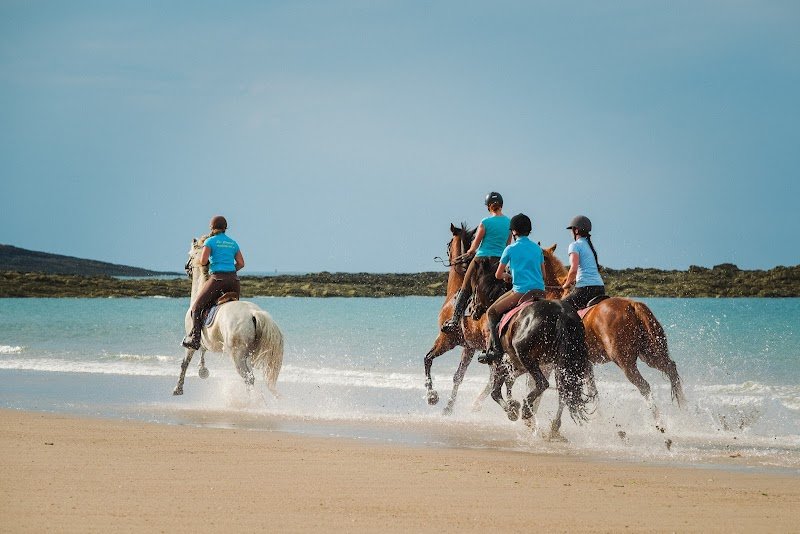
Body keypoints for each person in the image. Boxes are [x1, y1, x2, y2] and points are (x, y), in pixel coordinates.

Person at [479, 213, 545, 364]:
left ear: (514, 232)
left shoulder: (510, 249)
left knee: (491, 312)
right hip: (541, 292)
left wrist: (506, 276)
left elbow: (497, 274)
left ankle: (496, 351)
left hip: (520, 292)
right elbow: (543, 274)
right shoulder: (537, 249)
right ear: (529, 230)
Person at [441, 192, 511, 333]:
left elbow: (474, 246)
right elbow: (507, 245)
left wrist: (469, 252)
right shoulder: (509, 223)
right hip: (499, 262)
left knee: (465, 287)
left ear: (488, 207)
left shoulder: (485, 222)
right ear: (501, 205)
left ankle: (454, 320)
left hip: (481, 259)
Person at [181, 215, 245, 350]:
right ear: (225, 228)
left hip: (217, 280)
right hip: (234, 281)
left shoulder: (210, 242)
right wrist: (231, 270)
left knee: (196, 307)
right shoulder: (233, 243)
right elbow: (241, 263)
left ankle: (195, 339)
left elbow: (203, 261)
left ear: (212, 227)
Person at [561, 214, 605, 310]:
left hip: (585, 289)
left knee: (561, 308)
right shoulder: (590, 246)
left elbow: (573, 269)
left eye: (571, 230)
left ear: (576, 230)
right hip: (600, 288)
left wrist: (566, 284)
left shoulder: (575, 245)